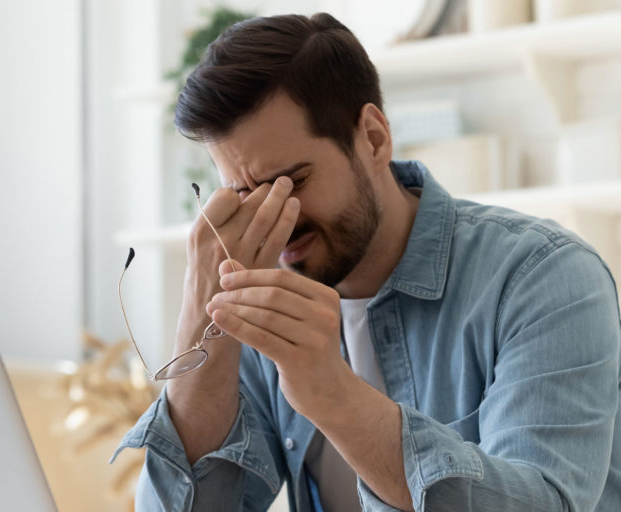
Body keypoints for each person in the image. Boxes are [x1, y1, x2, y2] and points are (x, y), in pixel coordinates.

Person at [111, 12, 621, 512]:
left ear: (374, 137)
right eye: (244, 194)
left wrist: (331, 393)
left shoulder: (544, 279)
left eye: (294, 182)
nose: (277, 220)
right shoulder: (253, 306)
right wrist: (200, 322)